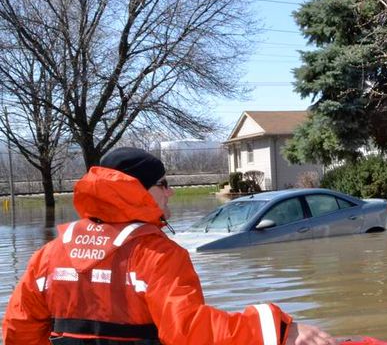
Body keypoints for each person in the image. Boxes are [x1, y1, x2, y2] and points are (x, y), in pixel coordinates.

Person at [2, 147, 335, 345]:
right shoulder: (157, 256)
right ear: (139, 191)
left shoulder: (48, 256)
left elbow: (18, 331)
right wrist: (279, 329)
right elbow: (189, 332)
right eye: (163, 184)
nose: (170, 192)